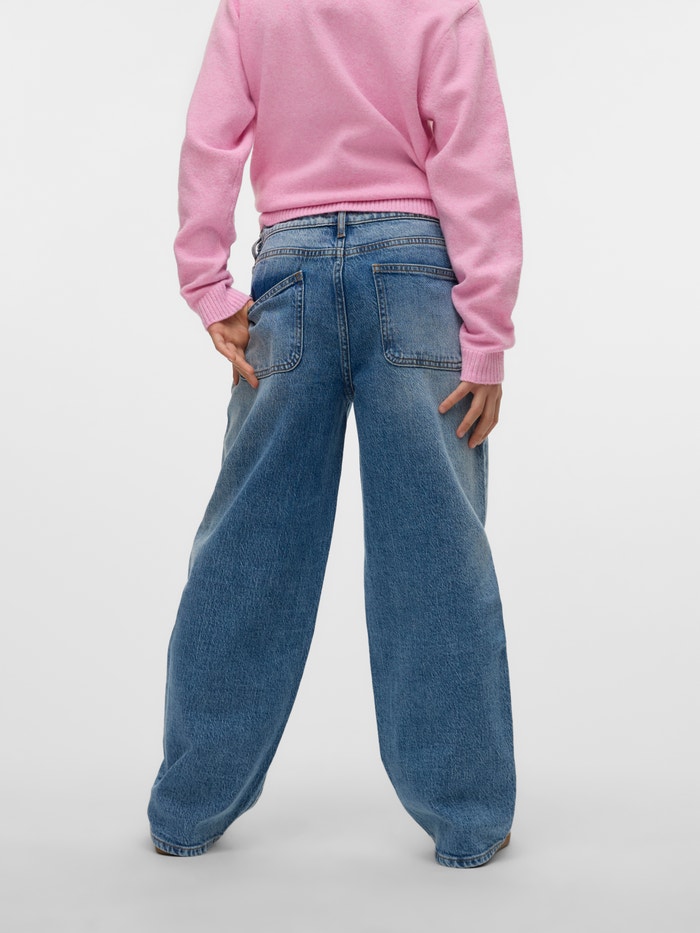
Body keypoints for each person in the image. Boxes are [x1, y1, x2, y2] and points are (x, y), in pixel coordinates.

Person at [147, 0, 522, 868]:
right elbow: (475, 159)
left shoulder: (251, 7)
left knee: (248, 546)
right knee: (436, 553)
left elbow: (210, 139)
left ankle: (188, 808)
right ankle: (468, 816)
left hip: (290, 273)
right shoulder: (442, 7)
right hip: (415, 273)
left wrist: (208, 284)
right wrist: (488, 331)